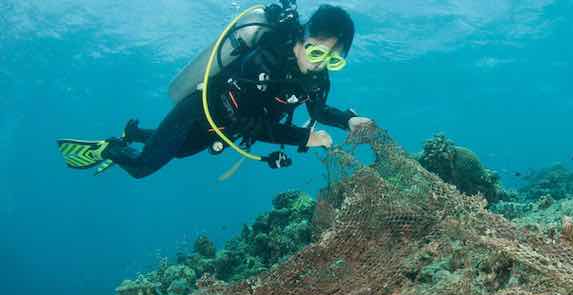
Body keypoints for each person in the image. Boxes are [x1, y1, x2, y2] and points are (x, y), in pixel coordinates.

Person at [57, 1, 373, 178]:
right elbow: (244, 122)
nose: (320, 65)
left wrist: (347, 120)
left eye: (334, 60)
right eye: (316, 53)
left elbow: (318, 110)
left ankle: (133, 133)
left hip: (222, 127)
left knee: (178, 152)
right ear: (299, 39)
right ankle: (111, 148)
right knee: (143, 167)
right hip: (200, 110)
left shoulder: (318, 77)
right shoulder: (263, 63)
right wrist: (304, 137)